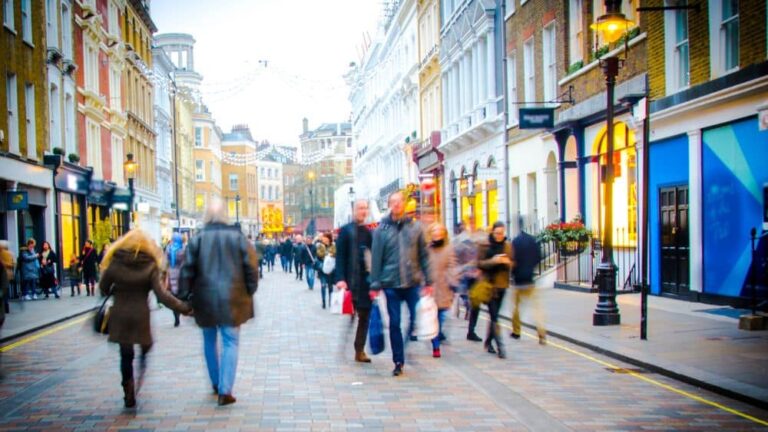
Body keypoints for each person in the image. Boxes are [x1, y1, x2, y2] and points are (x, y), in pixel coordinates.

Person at [178, 198, 259, 406]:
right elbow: (251, 267)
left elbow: (187, 270)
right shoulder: (238, 237)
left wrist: (184, 296)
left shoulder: (197, 239)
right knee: (230, 341)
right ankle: (225, 390)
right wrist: (250, 290)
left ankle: (215, 382)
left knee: (209, 340)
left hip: (204, 298)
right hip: (234, 298)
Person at [98, 229, 192, 408]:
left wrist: (115, 288)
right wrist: (185, 308)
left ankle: (128, 389)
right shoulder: (149, 264)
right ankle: (139, 372)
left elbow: (103, 287)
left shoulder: (115, 262)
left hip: (120, 314)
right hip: (140, 315)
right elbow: (162, 296)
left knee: (125, 355)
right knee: (145, 347)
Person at [370, 191, 431, 377]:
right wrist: (375, 284)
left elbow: (424, 255)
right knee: (394, 322)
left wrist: (429, 280)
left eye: (399, 201)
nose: (396, 205)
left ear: (404, 204)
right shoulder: (382, 230)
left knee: (416, 318)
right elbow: (376, 258)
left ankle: (406, 343)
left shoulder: (415, 227)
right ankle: (398, 360)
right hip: (391, 284)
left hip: (412, 281)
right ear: (389, 204)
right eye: (393, 202)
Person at [336, 199, 373, 362]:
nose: (363, 211)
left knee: (364, 316)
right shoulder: (345, 231)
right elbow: (340, 257)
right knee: (351, 315)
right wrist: (340, 279)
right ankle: (345, 344)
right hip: (351, 281)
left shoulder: (369, 232)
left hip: (366, 282)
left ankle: (359, 349)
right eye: (360, 208)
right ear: (353, 210)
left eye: (365, 208)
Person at [477, 221, 514, 359]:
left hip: (502, 285)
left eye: (502, 233)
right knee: (494, 316)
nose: (499, 236)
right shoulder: (485, 246)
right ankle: (501, 346)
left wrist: (508, 263)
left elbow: (512, 263)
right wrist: (494, 261)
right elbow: (479, 263)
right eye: (497, 233)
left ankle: (488, 341)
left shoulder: (507, 246)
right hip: (489, 286)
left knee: (495, 316)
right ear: (492, 232)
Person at [426, 223, 458, 358]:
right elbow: (422, 267)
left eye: (439, 232)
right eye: (434, 232)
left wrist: (453, 280)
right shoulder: (426, 249)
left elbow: (452, 266)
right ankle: (436, 346)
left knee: (442, 316)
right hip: (431, 288)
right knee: (433, 318)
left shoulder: (449, 249)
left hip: (444, 288)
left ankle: (437, 336)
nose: (437, 234)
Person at [510, 224, 545, 344]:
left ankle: (516, 331)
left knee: (516, 308)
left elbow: (512, 260)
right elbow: (539, 257)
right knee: (536, 309)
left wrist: (514, 273)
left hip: (519, 280)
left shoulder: (515, 242)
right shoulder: (533, 240)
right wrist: (531, 268)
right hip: (530, 279)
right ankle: (541, 332)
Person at [165, 233, 186, 327]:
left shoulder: (169, 249)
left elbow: (164, 262)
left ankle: (176, 315)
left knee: (173, 295)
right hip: (181, 274)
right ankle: (179, 311)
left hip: (171, 273)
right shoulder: (183, 249)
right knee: (179, 296)